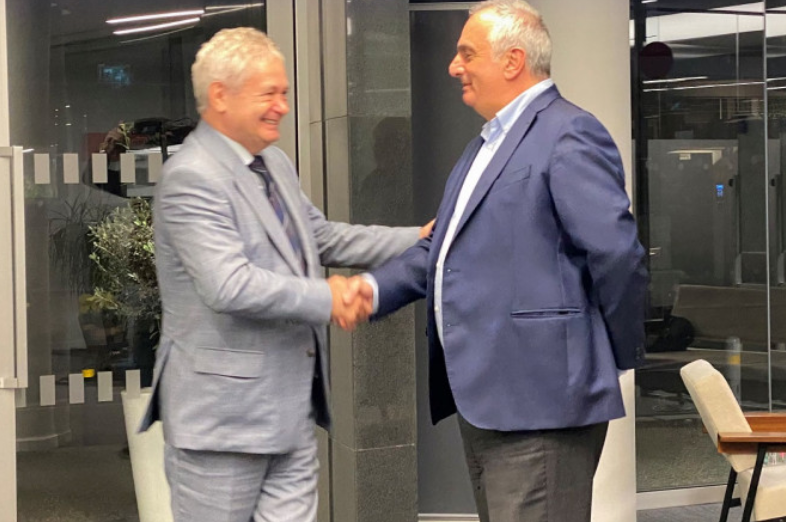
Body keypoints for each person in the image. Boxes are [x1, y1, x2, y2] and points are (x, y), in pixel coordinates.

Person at [356, 1, 648, 521]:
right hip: (488, 402)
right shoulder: (482, 147)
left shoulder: (568, 133)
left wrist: (611, 353)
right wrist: (373, 290)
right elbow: (442, 247)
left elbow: (616, 254)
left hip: (544, 402)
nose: (454, 66)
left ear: (512, 60)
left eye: (467, 53)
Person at [139, 27, 430, 522]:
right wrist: (329, 298)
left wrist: (420, 238)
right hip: (221, 427)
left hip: (291, 413)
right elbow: (229, 285)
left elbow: (321, 236)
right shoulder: (191, 176)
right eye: (269, 94)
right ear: (220, 96)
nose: (283, 107)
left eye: (285, 93)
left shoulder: (273, 162)